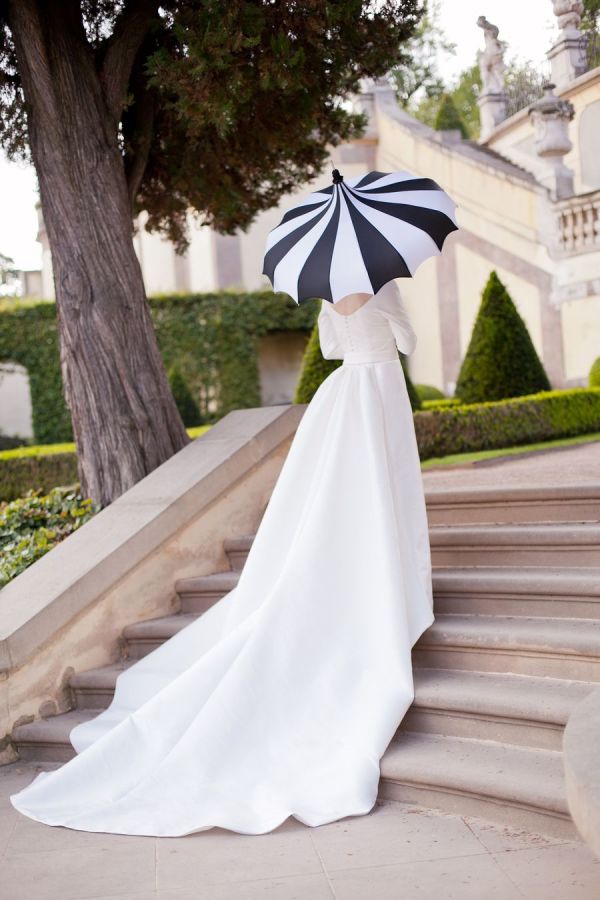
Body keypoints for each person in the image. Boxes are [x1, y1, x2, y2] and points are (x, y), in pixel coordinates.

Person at [9, 278, 434, 837]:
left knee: (350, 496)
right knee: (385, 489)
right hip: (379, 387)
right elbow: (405, 340)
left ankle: (371, 574)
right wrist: (388, 311)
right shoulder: (382, 282)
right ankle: (390, 584)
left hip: (344, 391)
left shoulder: (331, 290)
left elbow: (331, 347)